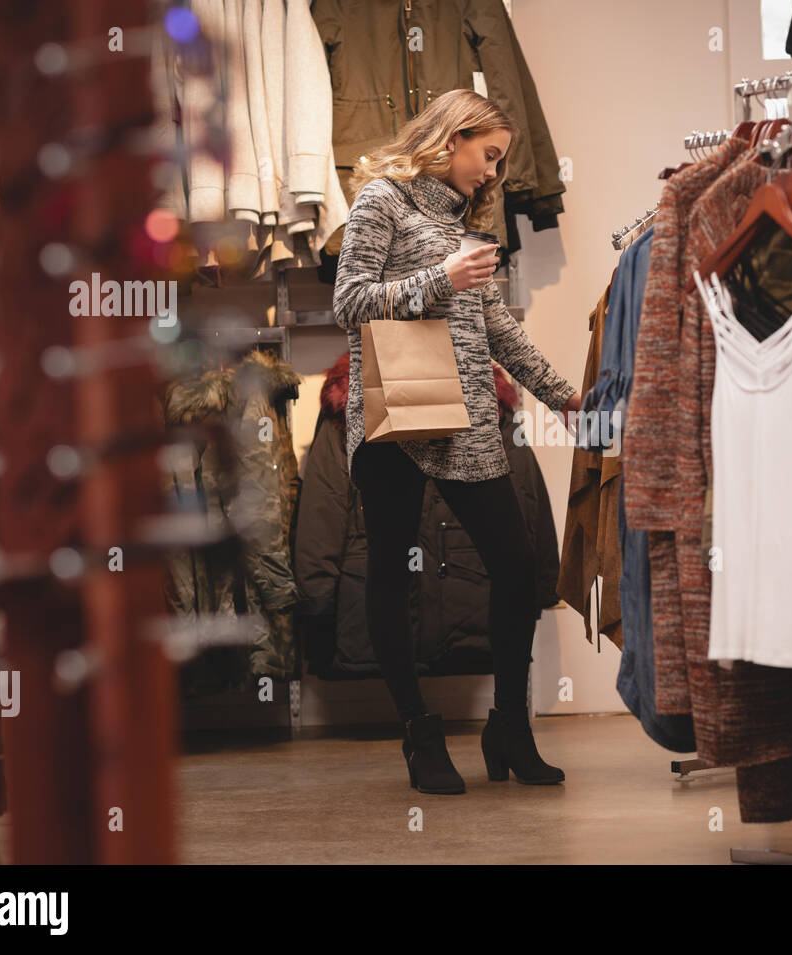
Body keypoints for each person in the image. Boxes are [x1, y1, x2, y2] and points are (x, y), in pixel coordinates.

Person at [332, 88, 581, 795]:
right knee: (391, 573)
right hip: (396, 420)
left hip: (468, 417)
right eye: (490, 154)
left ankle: (510, 724)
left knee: (516, 562)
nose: (495, 172)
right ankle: (418, 730)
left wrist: (561, 393)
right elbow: (348, 302)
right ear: (451, 137)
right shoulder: (382, 199)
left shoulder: (468, 222)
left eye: (502, 160)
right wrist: (438, 278)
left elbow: (497, 327)